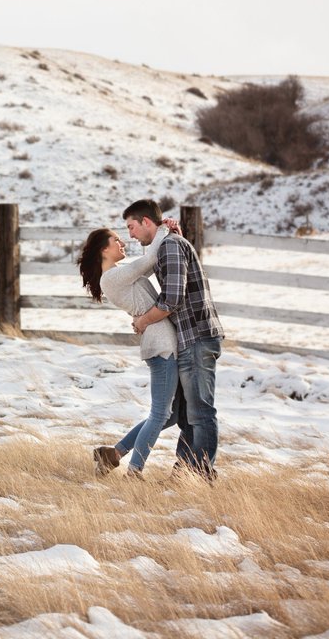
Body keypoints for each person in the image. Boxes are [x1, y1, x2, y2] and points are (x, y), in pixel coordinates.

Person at [125, 199, 224, 481]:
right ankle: (184, 473)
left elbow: (171, 299)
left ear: (146, 222)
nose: (130, 234)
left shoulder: (169, 246)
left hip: (197, 337)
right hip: (190, 339)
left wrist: (143, 321)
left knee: (200, 412)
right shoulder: (168, 244)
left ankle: (202, 473)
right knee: (187, 414)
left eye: (131, 227)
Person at [77, 224, 178, 479]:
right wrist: (162, 229)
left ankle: (114, 454)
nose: (122, 244)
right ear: (104, 249)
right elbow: (150, 259)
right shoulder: (111, 277)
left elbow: (153, 264)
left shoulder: (119, 274)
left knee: (171, 414)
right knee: (160, 414)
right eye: (117, 240)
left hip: (162, 341)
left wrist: (172, 235)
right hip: (161, 345)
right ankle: (134, 471)